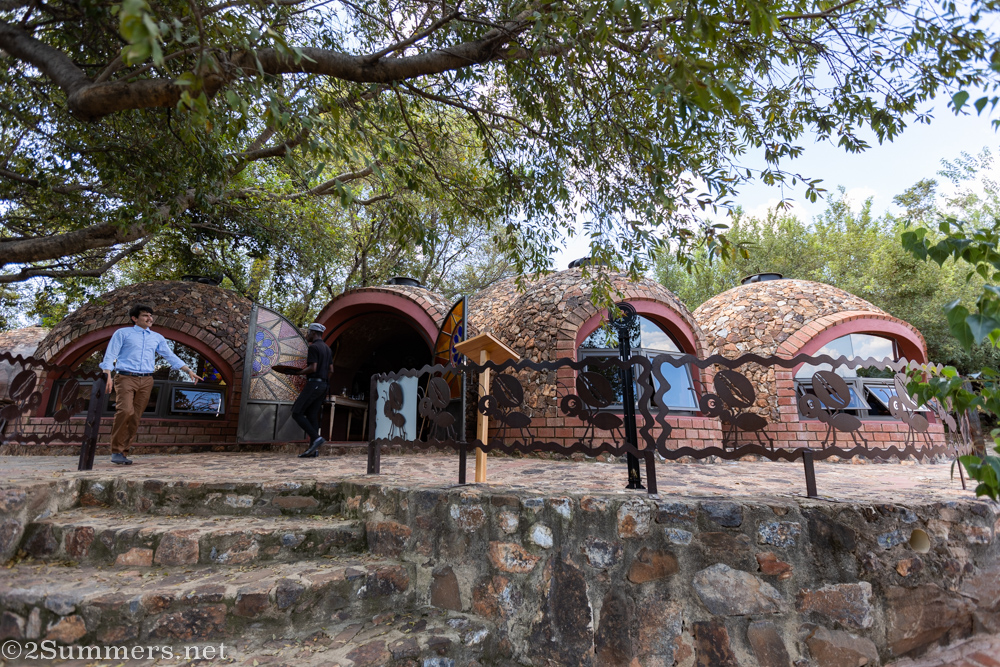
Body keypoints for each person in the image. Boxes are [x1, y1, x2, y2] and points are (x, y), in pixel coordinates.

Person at [100, 304, 201, 465]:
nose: (150, 318)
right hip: (126, 377)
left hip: (147, 380)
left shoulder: (157, 337)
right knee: (125, 411)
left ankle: (123, 452)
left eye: (150, 316)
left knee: (135, 417)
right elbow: (111, 353)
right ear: (134, 318)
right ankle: (116, 450)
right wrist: (107, 373)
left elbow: (169, 355)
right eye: (145, 315)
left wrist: (188, 370)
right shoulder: (123, 333)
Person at [294, 322, 332, 458]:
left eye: (308, 332)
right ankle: (313, 450)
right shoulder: (327, 349)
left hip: (314, 383)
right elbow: (331, 370)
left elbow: (313, 368)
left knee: (296, 412)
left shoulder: (313, 347)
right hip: (323, 386)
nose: (307, 335)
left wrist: (299, 373)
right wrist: (324, 382)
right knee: (312, 415)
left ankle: (316, 438)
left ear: (313, 333)